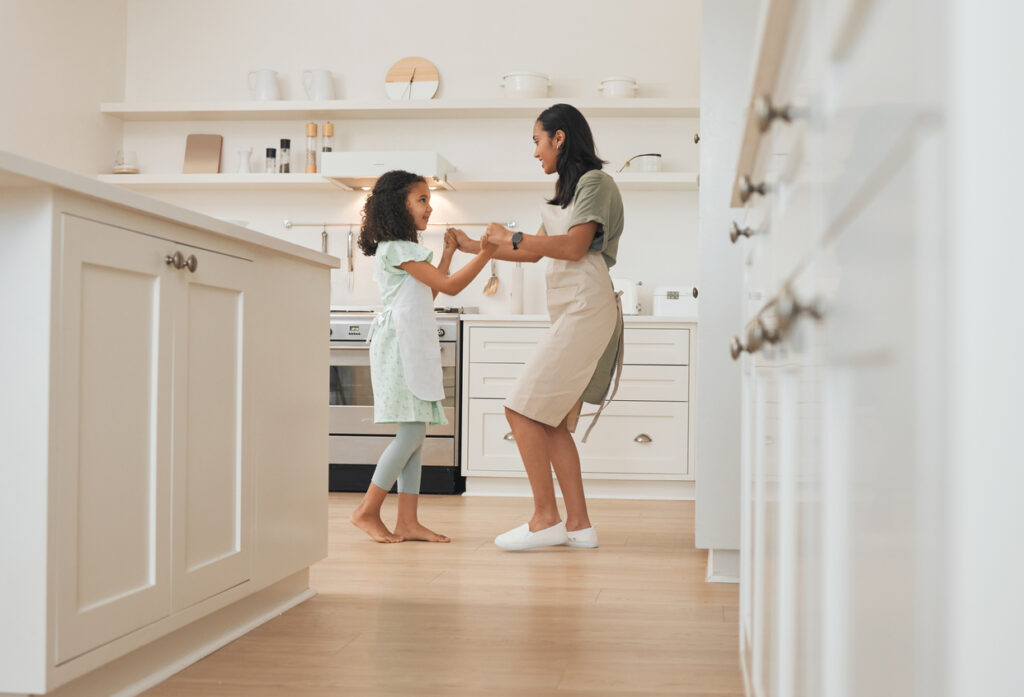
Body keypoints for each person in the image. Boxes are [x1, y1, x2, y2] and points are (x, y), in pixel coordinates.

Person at [451, 103, 625, 551]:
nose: (535, 152)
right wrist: (477, 245)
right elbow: (532, 252)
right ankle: (579, 525)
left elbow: (572, 247)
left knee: (521, 408)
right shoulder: (569, 193)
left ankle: (545, 518)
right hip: (575, 309)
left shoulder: (595, 183)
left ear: (559, 137)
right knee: (550, 423)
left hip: (587, 307)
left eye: (536, 140)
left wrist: (509, 236)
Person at [351, 170, 497, 543]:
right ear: (398, 205)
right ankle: (367, 510)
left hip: (406, 342)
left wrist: (447, 253)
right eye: (422, 199)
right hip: (400, 346)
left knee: (413, 433)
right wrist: (486, 252)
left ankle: (407, 521)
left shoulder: (400, 248)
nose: (429, 207)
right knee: (412, 432)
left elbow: (428, 294)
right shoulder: (399, 248)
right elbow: (448, 287)